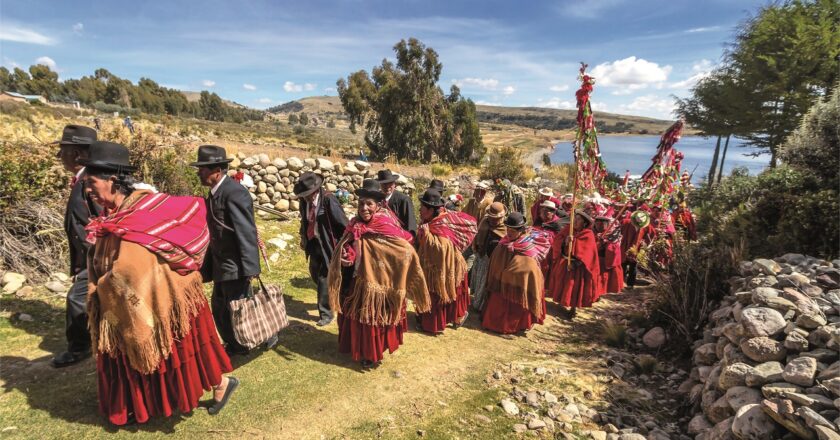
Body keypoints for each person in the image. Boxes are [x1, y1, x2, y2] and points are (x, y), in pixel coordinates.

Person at [82, 141, 237, 425]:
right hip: (138, 302)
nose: (87, 189)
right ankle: (134, 403)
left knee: (185, 350)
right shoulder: (115, 217)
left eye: (91, 182)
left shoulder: (146, 210)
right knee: (140, 353)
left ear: (112, 181)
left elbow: (131, 269)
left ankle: (221, 384)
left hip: (166, 299)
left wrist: (104, 284)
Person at [327, 179, 431, 367]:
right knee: (355, 316)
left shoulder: (385, 223)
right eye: (361, 204)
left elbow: (404, 249)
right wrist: (346, 256)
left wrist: (394, 272)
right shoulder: (354, 224)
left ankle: (370, 354)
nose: (364, 208)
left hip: (379, 285)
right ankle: (357, 348)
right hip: (356, 281)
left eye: (369, 204)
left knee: (373, 318)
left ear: (378, 205)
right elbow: (349, 247)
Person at [192, 145, 262, 356]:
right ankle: (235, 344)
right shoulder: (215, 193)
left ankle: (245, 343)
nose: (199, 173)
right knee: (221, 309)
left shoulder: (235, 193)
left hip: (235, 265)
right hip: (221, 264)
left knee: (236, 309)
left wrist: (251, 268)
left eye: (202, 169)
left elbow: (246, 232)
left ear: (217, 170)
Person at [51, 125, 100, 367]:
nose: (60, 157)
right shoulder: (82, 181)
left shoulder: (91, 184)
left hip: (94, 256)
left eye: (63, 151)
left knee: (76, 299)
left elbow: (101, 219)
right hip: (87, 257)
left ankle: (79, 347)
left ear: (78, 153)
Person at [415, 189, 478, 334]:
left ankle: (439, 323)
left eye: (422, 207)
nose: (420, 209)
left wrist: (427, 238)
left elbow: (444, 247)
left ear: (431, 210)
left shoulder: (441, 223)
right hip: (436, 266)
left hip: (448, 267)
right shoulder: (429, 222)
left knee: (444, 293)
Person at [481, 212, 551, 334]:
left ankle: (517, 324)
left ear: (520, 231)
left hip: (519, 286)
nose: (509, 232)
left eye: (512, 230)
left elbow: (529, 269)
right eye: (508, 229)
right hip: (500, 283)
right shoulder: (504, 242)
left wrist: (511, 273)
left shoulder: (527, 246)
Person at [295, 171, 348, 326]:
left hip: (328, 244)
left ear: (316, 190)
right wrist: (303, 238)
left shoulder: (328, 200)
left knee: (323, 277)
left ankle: (326, 313)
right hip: (313, 243)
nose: (306, 197)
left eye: (309, 193)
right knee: (314, 272)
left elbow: (343, 223)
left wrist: (345, 244)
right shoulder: (304, 202)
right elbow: (304, 221)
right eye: (304, 194)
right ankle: (331, 297)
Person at [548, 211, 601, 320]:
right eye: (575, 218)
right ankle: (562, 301)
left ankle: (573, 308)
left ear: (585, 223)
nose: (575, 221)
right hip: (565, 261)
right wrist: (565, 241)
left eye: (578, 219)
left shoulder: (588, 234)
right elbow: (557, 241)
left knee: (574, 287)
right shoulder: (568, 229)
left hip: (578, 266)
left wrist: (575, 263)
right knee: (563, 284)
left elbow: (588, 253)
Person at [469, 202, 506, 313]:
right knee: (479, 280)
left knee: (486, 282)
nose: (493, 220)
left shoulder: (505, 228)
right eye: (491, 217)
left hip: (494, 261)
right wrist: (476, 246)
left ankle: (480, 305)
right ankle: (477, 301)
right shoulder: (485, 221)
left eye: (496, 218)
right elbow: (477, 233)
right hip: (481, 257)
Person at [376, 169, 417, 237]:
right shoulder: (377, 199)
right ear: (380, 184)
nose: (387, 187)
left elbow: (411, 224)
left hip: (399, 238)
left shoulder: (404, 200)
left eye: (390, 183)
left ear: (394, 184)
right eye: (384, 184)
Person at [621, 210, 655, 289]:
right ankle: (620, 282)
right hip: (625, 246)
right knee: (623, 265)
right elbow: (620, 231)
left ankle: (630, 284)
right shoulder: (626, 222)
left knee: (633, 266)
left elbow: (651, 234)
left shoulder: (646, 226)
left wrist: (646, 244)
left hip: (636, 248)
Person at [533, 200, 564, 284]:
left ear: (552, 213)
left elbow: (559, 239)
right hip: (536, 250)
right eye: (542, 210)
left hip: (549, 253)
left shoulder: (557, 224)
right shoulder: (538, 220)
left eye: (546, 211)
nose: (542, 213)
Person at [594, 216, 624, 295]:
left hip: (604, 260)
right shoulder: (591, 233)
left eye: (602, 224)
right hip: (594, 260)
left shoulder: (613, 235)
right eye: (597, 224)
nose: (599, 226)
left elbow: (615, 247)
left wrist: (606, 242)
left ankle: (599, 293)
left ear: (607, 224)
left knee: (603, 279)